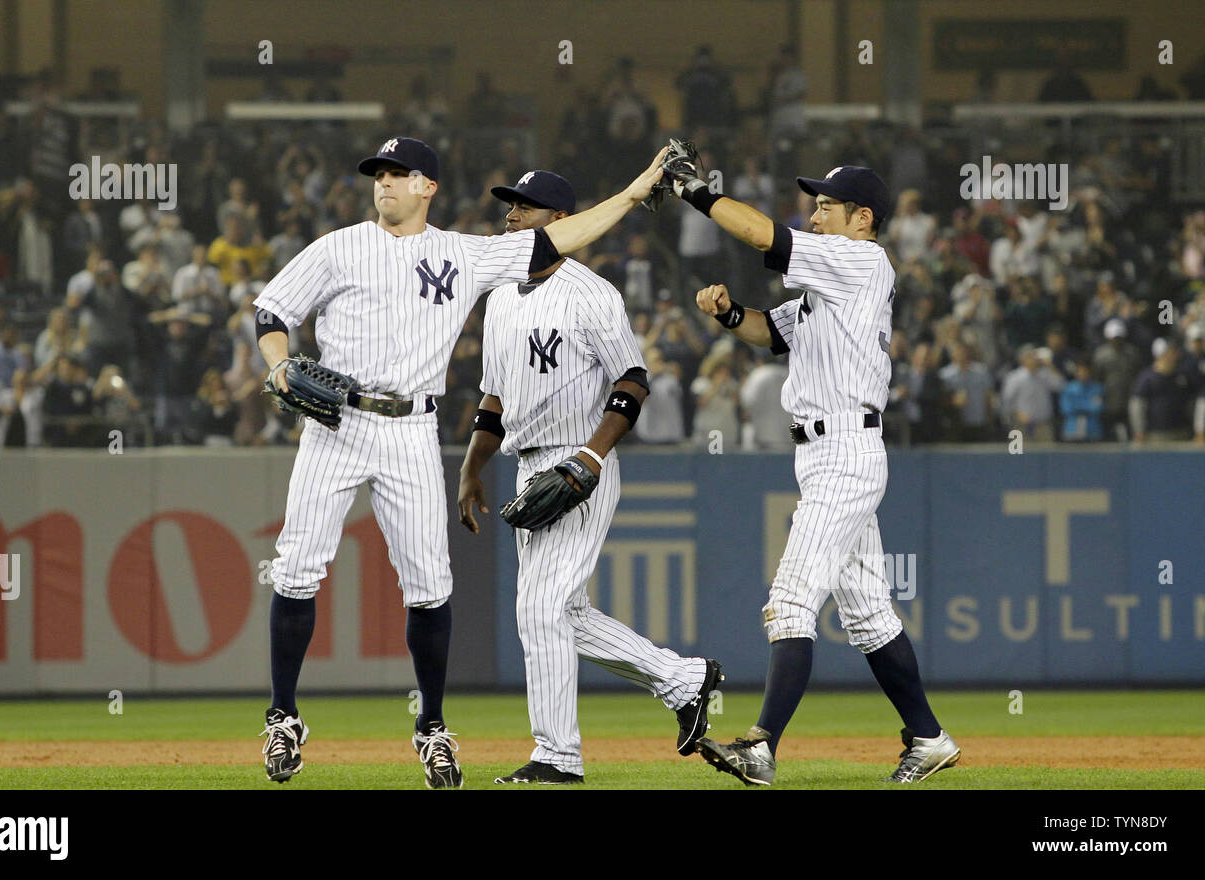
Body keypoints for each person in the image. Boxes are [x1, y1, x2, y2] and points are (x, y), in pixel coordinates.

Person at [252, 137, 671, 789]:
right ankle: (282, 716)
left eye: (399, 174)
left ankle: (433, 729)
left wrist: (633, 193)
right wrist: (279, 361)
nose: (384, 183)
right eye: (379, 174)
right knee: (296, 568)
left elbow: (559, 241)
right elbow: (270, 311)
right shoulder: (338, 248)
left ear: (428, 188)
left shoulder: (464, 255)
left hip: (413, 428)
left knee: (429, 586)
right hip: (336, 420)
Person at [669, 161, 958, 785]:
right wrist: (725, 314)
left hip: (845, 451)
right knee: (868, 615)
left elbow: (764, 236)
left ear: (864, 220)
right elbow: (769, 332)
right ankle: (929, 737)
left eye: (828, 205)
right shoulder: (827, 287)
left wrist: (695, 192)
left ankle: (761, 744)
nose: (816, 212)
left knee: (791, 601)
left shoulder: (862, 262)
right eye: (816, 203)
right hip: (830, 453)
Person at [456, 170, 722, 785]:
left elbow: (633, 379)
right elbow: (492, 400)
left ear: (560, 220)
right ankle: (684, 679)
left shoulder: (591, 292)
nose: (513, 215)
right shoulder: (498, 296)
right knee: (559, 612)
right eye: (510, 206)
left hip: (578, 464)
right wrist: (472, 471)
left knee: (541, 609)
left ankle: (557, 758)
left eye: (527, 207)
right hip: (527, 467)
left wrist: (593, 456)